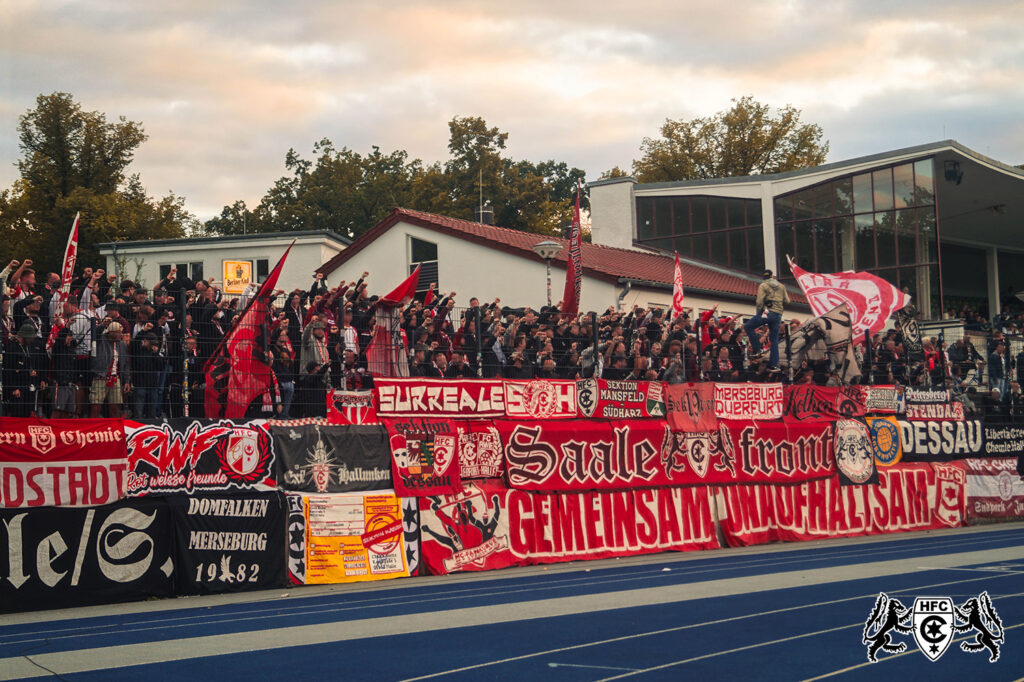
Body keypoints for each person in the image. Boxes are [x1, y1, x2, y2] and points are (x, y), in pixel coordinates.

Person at [743, 269, 789, 372]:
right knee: (774, 340)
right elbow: (787, 300)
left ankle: (758, 349)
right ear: (772, 276)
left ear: (764, 277)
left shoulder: (763, 285)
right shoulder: (781, 286)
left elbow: (759, 302)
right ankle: (773, 365)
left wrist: (759, 313)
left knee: (748, 326)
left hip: (767, 313)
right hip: (778, 315)